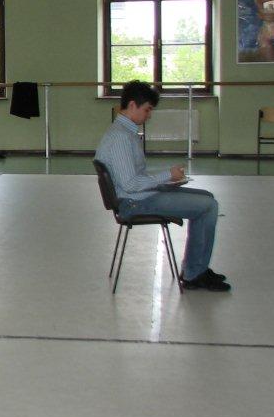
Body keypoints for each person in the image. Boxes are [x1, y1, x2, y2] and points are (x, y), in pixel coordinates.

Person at [95, 80, 230, 291]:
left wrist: (167, 179)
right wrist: (167, 175)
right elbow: (130, 184)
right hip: (133, 202)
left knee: (207, 197)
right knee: (208, 206)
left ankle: (197, 268)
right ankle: (195, 273)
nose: (149, 115)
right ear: (132, 105)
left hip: (138, 196)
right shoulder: (120, 137)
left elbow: (133, 177)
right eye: (147, 109)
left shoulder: (124, 132)